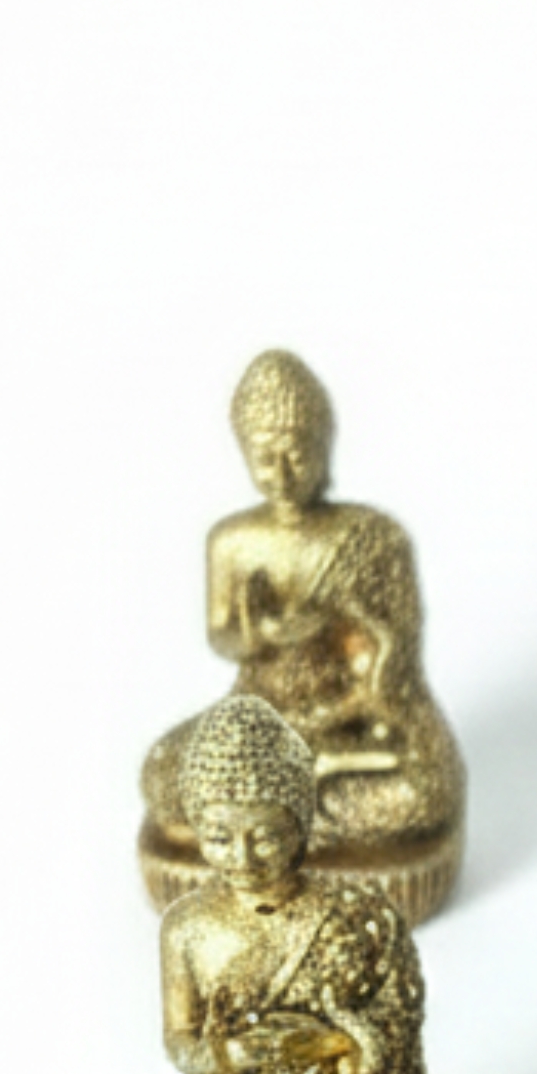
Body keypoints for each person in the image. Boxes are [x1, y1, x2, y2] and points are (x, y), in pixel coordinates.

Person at [96, 697, 476, 1074]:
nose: (244, 857)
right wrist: (236, 1055)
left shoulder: (356, 918)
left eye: (265, 836)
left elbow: (395, 1040)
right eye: (220, 837)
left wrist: (330, 1043)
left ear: (300, 824)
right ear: (197, 828)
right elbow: (182, 1043)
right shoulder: (188, 927)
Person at [139, 350, 464, 914]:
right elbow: (222, 638)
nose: (284, 473)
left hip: (350, 719)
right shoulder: (233, 541)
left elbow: (396, 659)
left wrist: (358, 634)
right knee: (164, 774)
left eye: (297, 453)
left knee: (427, 792)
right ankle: (276, 822)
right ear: (245, 455)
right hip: (260, 713)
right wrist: (261, 632)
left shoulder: (370, 538)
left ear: (324, 446)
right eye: (266, 459)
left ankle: (257, 825)